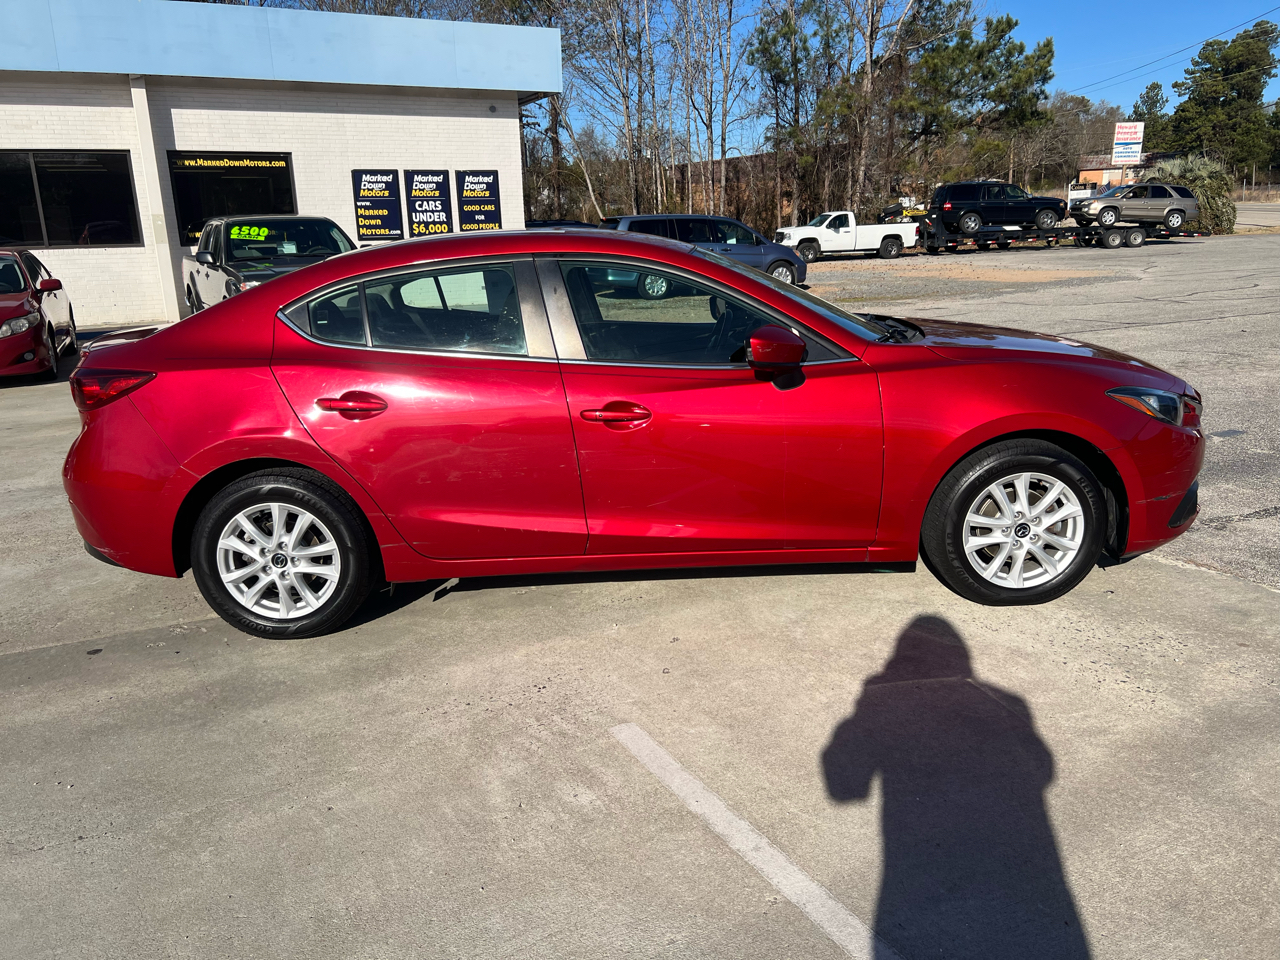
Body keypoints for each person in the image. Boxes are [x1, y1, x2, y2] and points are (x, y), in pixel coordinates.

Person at [821, 616, 1091, 959]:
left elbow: (843, 787)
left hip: (917, 863)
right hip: (1028, 858)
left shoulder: (875, 700)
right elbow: (1043, 768)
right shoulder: (1008, 700)